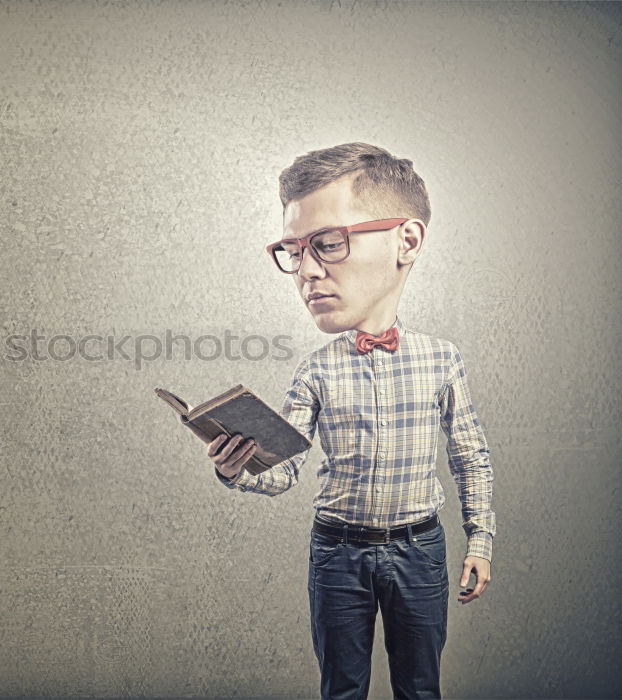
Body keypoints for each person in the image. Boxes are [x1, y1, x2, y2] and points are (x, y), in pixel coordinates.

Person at [208, 142, 495, 700]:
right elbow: (285, 472)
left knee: (420, 688)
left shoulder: (442, 359)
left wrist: (480, 541)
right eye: (294, 250)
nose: (307, 272)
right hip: (337, 554)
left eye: (329, 243)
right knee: (341, 689)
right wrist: (237, 467)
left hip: (420, 552)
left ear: (406, 241)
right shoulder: (314, 370)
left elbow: (469, 454)